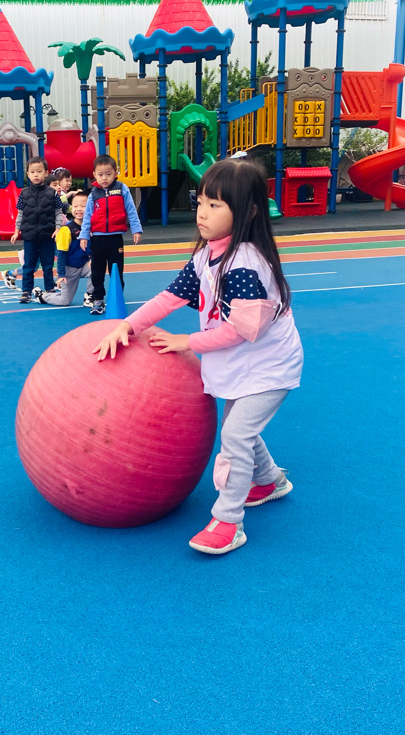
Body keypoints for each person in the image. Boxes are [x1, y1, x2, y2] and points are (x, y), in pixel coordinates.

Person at [94, 159, 303, 556]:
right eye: (201, 202)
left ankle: (228, 520)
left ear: (248, 212)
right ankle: (270, 481)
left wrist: (187, 341)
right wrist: (129, 326)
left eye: (215, 205)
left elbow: (241, 330)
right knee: (238, 429)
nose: (202, 214)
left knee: (235, 435)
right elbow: (170, 297)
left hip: (270, 366)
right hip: (244, 361)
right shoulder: (208, 255)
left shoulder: (245, 265)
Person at [79, 154, 143, 315]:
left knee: (116, 270)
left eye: (108, 174)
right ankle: (98, 299)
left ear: (115, 173)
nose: (104, 178)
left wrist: (136, 229)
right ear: (94, 175)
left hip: (115, 238)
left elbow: (131, 209)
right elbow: (87, 216)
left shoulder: (121, 189)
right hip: (97, 239)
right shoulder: (93, 194)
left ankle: (117, 297)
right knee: (97, 271)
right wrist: (84, 235)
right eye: (100, 174)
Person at [10, 156, 66, 303]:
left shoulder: (52, 193)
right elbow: (20, 213)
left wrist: (58, 228)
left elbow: (58, 212)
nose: (36, 175)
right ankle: (26, 291)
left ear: (46, 173)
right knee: (28, 265)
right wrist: (16, 230)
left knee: (48, 265)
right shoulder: (24, 193)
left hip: (48, 236)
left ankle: (49, 289)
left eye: (39, 171)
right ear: (28, 174)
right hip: (29, 236)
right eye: (33, 172)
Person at [34, 190, 93, 307]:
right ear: (71, 208)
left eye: (83, 206)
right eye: (75, 206)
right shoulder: (66, 229)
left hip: (84, 265)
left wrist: (92, 258)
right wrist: (61, 274)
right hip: (69, 269)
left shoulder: (92, 227)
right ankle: (42, 296)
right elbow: (61, 254)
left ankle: (90, 295)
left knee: (97, 266)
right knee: (64, 301)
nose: (79, 209)